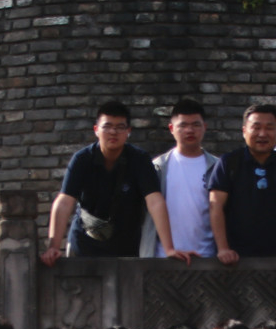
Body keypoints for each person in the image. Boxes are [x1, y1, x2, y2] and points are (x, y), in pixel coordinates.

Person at [41, 99, 192, 265]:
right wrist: (53, 247)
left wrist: (169, 248)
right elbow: (64, 202)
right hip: (85, 243)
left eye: (120, 127)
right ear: (96, 130)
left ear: (128, 131)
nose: (113, 132)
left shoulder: (139, 159)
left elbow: (155, 201)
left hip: (127, 246)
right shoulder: (82, 159)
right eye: (107, 126)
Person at [207, 102, 276, 265]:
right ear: (244, 131)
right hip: (235, 259)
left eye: (269, 128)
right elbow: (216, 206)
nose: (262, 134)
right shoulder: (229, 163)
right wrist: (223, 249)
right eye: (256, 128)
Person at [140, 97, 219, 259]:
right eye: (183, 125)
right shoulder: (157, 168)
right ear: (171, 128)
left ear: (204, 127)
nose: (189, 130)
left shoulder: (218, 167)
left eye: (196, 125)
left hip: (207, 257)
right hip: (162, 258)